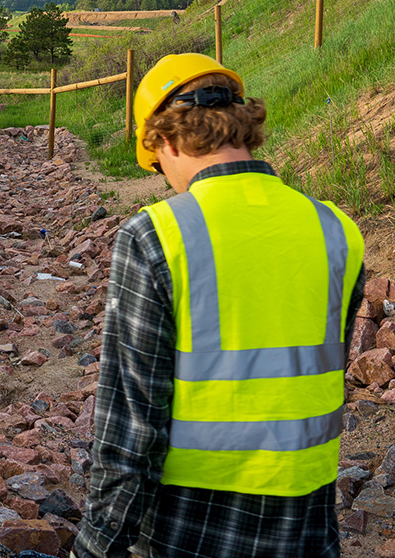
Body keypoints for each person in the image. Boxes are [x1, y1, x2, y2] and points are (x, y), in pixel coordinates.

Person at [73, 53, 365, 558]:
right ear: (240, 123)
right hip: (310, 515)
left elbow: (130, 422)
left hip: (191, 519)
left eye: (156, 162)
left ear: (163, 139)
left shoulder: (156, 235)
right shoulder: (335, 229)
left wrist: (97, 544)